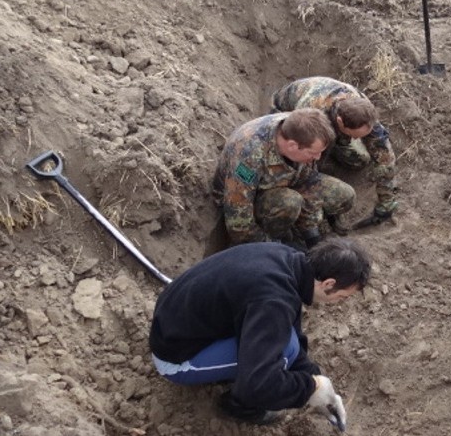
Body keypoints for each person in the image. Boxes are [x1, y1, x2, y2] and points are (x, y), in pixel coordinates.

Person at [149, 238, 371, 428]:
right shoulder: (273, 300)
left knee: (286, 345)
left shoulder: (287, 259)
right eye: (341, 297)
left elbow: (288, 326)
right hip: (176, 357)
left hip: (174, 323)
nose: (337, 303)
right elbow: (257, 383)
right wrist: (310, 389)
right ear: (329, 283)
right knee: (281, 356)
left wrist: (315, 377)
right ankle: (239, 407)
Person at [212, 108, 355, 248]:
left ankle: (302, 228)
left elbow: (306, 177)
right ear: (292, 146)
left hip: (288, 179)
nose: (317, 158)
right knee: (290, 202)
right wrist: (273, 248)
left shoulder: (301, 127)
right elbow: (238, 223)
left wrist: (311, 233)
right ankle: (277, 238)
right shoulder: (248, 156)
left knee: (345, 195)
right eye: (313, 153)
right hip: (252, 197)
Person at [271, 76, 398, 230]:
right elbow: (298, 151)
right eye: (354, 136)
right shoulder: (311, 112)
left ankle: (333, 151)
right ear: (339, 122)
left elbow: (384, 154)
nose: (357, 139)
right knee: (307, 162)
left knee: (360, 160)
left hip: (332, 123)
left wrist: (386, 203)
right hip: (288, 115)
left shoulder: (363, 111)